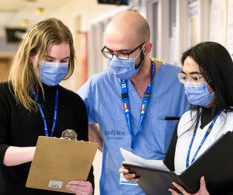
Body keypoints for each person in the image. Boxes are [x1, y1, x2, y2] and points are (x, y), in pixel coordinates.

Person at [120, 41, 233, 195]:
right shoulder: (187, 119)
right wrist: (142, 174)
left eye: (195, 78)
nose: (188, 84)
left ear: (218, 78)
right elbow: (170, 170)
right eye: (185, 77)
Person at [78, 11, 189, 194]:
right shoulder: (99, 85)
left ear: (146, 49)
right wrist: (105, 147)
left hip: (165, 190)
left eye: (123, 53)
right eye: (110, 52)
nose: (114, 60)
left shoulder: (179, 82)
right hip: (116, 189)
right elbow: (76, 116)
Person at [0, 18, 93, 195]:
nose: (57, 66)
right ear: (31, 56)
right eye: (49, 59)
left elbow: (83, 161)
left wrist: (88, 187)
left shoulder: (74, 103)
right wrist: (42, 151)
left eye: (64, 60)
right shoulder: (4, 94)